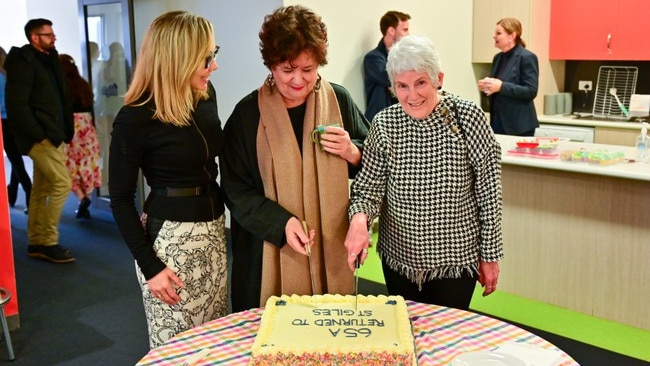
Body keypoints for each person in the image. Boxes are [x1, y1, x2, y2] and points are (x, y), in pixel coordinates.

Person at [221, 5, 370, 313]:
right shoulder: (247, 116)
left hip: (331, 247)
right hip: (266, 253)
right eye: (288, 70)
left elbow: (374, 161)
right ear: (271, 66)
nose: (299, 81)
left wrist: (351, 151)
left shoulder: (338, 100)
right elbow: (235, 190)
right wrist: (281, 223)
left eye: (309, 69)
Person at [344, 35, 503, 311]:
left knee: (447, 339)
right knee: (406, 334)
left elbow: (489, 192)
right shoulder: (384, 124)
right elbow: (368, 188)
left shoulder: (468, 117)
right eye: (402, 86)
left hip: (456, 261)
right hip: (399, 259)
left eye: (420, 83)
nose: (412, 95)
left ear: (438, 78)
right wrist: (359, 219)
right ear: (393, 87)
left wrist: (490, 255)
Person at [109, 10, 228, 349]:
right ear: (179, 60)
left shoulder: (205, 95)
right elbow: (120, 200)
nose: (214, 67)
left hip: (213, 231)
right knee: (176, 346)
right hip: (171, 241)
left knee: (214, 336)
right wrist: (151, 268)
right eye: (206, 59)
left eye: (213, 54)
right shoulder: (134, 118)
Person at [5, 19, 75, 263]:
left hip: (53, 134)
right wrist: (39, 134)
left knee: (42, 188)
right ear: (35, 37)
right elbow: (17, 105)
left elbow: (56, 98)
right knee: (62, 184)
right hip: (41, 138)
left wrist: (62, 130)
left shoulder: (47, 59)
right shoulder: (24, 63)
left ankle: (36, 241)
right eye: (48, 34)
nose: (54, 38)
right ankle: (47, 240)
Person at [477, 18, 539, 136]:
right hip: (497, 123)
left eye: (498, 33)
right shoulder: (498, 58)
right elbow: (496, 88)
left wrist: (501, 86)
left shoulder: (527, 57)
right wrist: (487, 87)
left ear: (512, 36)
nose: (494, 36)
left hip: (519, 126)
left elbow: (531, 91)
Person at [59, 54, 102, 219]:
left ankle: (81, 197)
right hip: (87, 129)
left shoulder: (61, 87)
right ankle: (86, 198)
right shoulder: (84, 84)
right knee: (87, 165)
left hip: (70, 128)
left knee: (69, 166)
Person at [363, 10, 410, 122]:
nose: (408, 35)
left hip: (400, 121)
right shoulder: (373, 58)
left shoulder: (404, 58)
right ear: (391, 31)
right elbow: (394, 79)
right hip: (381, 123)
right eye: (405, 30)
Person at [1, 45, 32, 213]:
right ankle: (12, 193)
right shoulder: (11, 75)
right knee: (16, 158)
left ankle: (29, 190)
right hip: (16, 121)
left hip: (3, 122)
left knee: (15, 160)